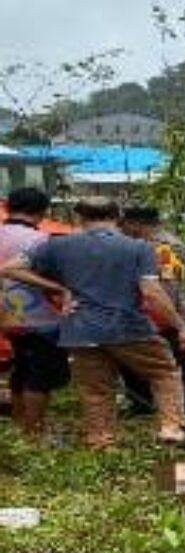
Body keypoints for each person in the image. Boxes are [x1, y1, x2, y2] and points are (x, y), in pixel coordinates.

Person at [0, 197, 185, 450]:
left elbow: (10, 269)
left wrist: (59, 287)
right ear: (117, 216)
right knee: (164, 372)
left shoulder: (58, 245)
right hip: (128, 327)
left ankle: (101, 441)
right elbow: (152, 291)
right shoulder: (137, 248)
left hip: (80, 329)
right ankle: (171, 427)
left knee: (96, 389)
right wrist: (181, 327)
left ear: (79, 216)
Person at [117, 205, 185, 418]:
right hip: (158, 312)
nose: (121, 229)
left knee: (176, 361)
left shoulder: (163, 248)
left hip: (160, 314)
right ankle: (151, 403)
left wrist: (172, 318)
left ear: (135, 224)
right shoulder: (162, 243)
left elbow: (168, 286)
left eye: (124, 224)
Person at [0, 188, 71, 441]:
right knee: (40, 376)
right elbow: (56, 276)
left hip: (6, 315)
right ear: (42, 212)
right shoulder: (40, 240)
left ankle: (21, 425)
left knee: (20, 370)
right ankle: (34, 431)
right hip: (39, 317)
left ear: (8, 206)